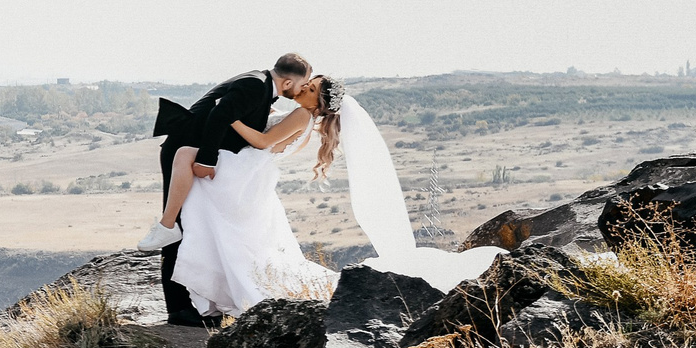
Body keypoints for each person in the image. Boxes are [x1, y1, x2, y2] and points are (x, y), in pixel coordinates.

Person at [154, 72, 510, 320]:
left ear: (317, 102)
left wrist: (226, 116)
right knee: (235, 236)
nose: (305, 87)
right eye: (308, 82)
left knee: (189, 164)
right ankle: (191, 267)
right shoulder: (299, 113)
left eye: (311, 88)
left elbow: (262, 141)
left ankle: (168, 229)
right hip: (250, 172)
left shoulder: (301, 115)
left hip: (244, 171)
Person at [141, 54, 315, 324]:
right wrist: (207, 160)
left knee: (196, 224)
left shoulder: (260, 85)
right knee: (178, 224)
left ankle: (198, 303)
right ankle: (178, 308)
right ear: (289, 81)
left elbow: (237, 118)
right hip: (187, 150)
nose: (302, 90)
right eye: (303, 85)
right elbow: (220, 116)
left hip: (204, 152)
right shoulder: (255, 85)